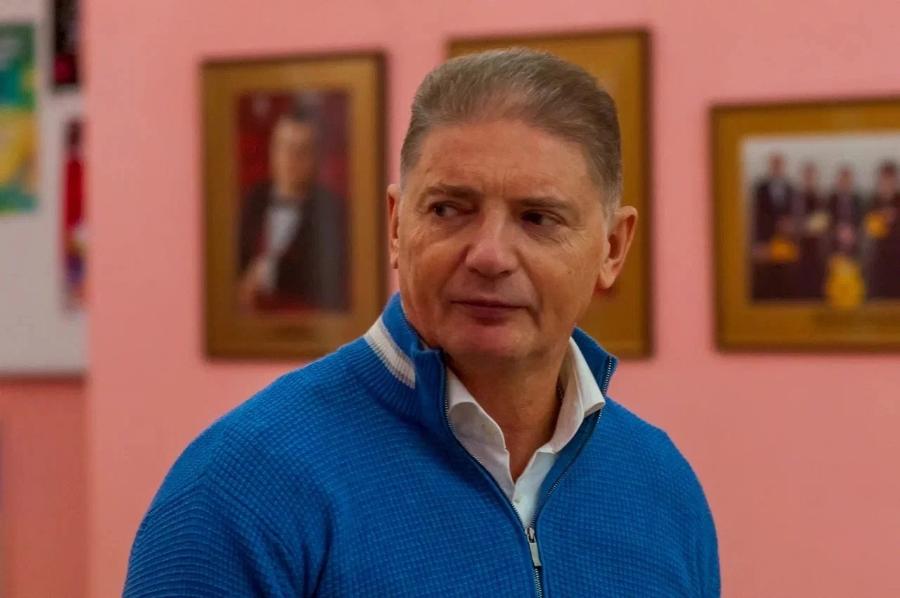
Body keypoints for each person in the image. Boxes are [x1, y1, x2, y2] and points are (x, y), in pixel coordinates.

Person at [125, 49, 720, 597]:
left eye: (538, 218)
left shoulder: (661, 487)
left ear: (612, 248)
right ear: (396, 225)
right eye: (449, 209)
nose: (489, 255)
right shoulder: (240, 487)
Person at [237, 107, 349, 312]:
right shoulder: (252, 200)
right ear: (272, 151)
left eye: (302, 150)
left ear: (318, 157)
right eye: (284, 147)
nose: (291, 158)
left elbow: (327, 279)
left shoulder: (332, 210)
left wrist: (267, 273)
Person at [751, 153, 800, 300]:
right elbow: (757, 216)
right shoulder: (760, 188)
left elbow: (795, 213)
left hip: (786, 239)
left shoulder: (791, 188)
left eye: (779, 165)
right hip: (766, 239)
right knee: (767, 274)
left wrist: (791, 226)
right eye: (774, 164)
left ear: (783, 167)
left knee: (786, 274)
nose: (777, 167)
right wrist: (758, 242)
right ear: (770, 166)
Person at [865, 161, 900, 299]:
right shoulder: (872, 202)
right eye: (884, 180)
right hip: (877, 258)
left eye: (890, 180)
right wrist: (881, 218)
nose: (887, 184)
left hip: (897, 257)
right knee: (878, 296)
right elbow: (868, 230)